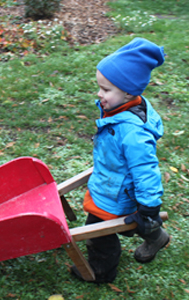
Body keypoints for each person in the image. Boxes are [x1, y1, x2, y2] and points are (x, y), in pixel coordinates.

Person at [71, 38, 170, 283]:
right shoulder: (120, 107)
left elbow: (146, 170)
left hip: (118, 191)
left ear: (128, 92)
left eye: (105, 90)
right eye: (99, 87)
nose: (99, 93)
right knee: (130, 221)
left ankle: (101, 272)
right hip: (113, 178)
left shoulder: (133, 133)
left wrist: (149, 208)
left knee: (99, 233)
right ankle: (156, 236)